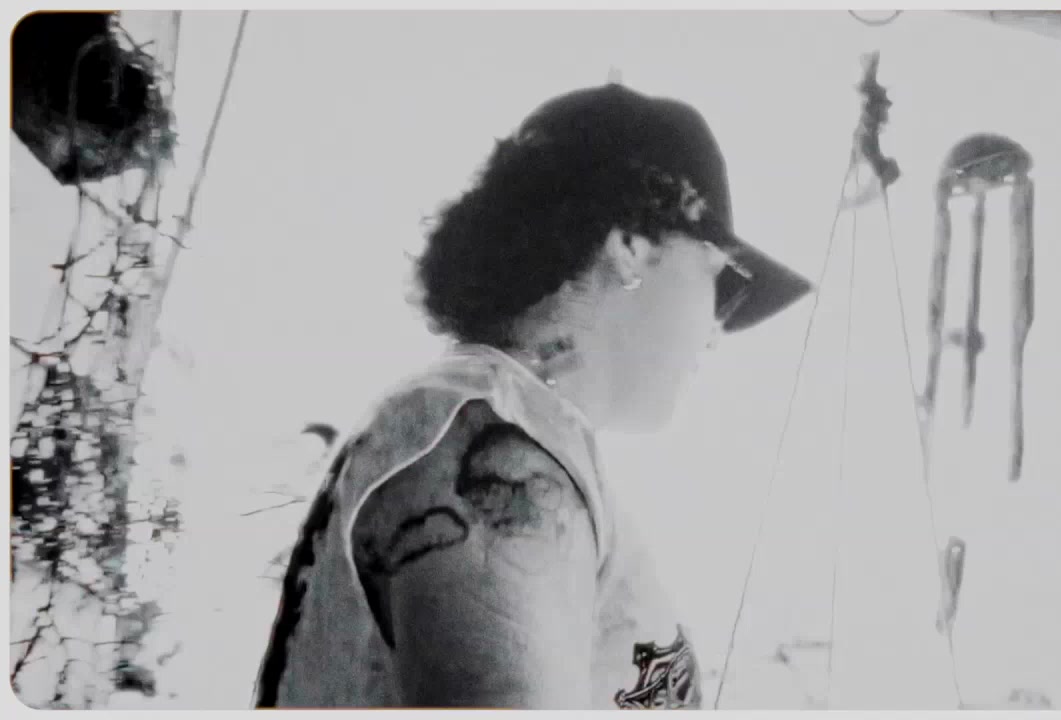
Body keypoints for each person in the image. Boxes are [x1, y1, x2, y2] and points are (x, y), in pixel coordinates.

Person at [252, 82, 813, 709]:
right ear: (632, 243)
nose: (715, 330)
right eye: (722, 281)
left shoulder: (515, 433)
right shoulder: (486, 439)